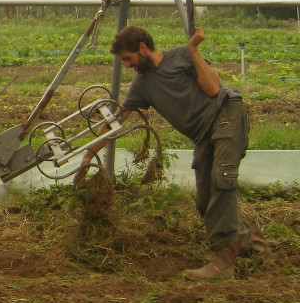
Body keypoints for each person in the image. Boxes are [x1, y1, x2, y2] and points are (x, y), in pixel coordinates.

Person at [75, 25, 262, 281]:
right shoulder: (142, 85)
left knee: (222, 178)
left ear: (142, 47)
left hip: (226, 114)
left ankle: (223, 263)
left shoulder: (182, 56)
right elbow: (119, 119)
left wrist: (193, 49)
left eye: (128, 59)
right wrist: (88, 153)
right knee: (204, 200)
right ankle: (254, 243)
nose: (127, 65)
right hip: (203, 135)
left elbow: (213, 89)